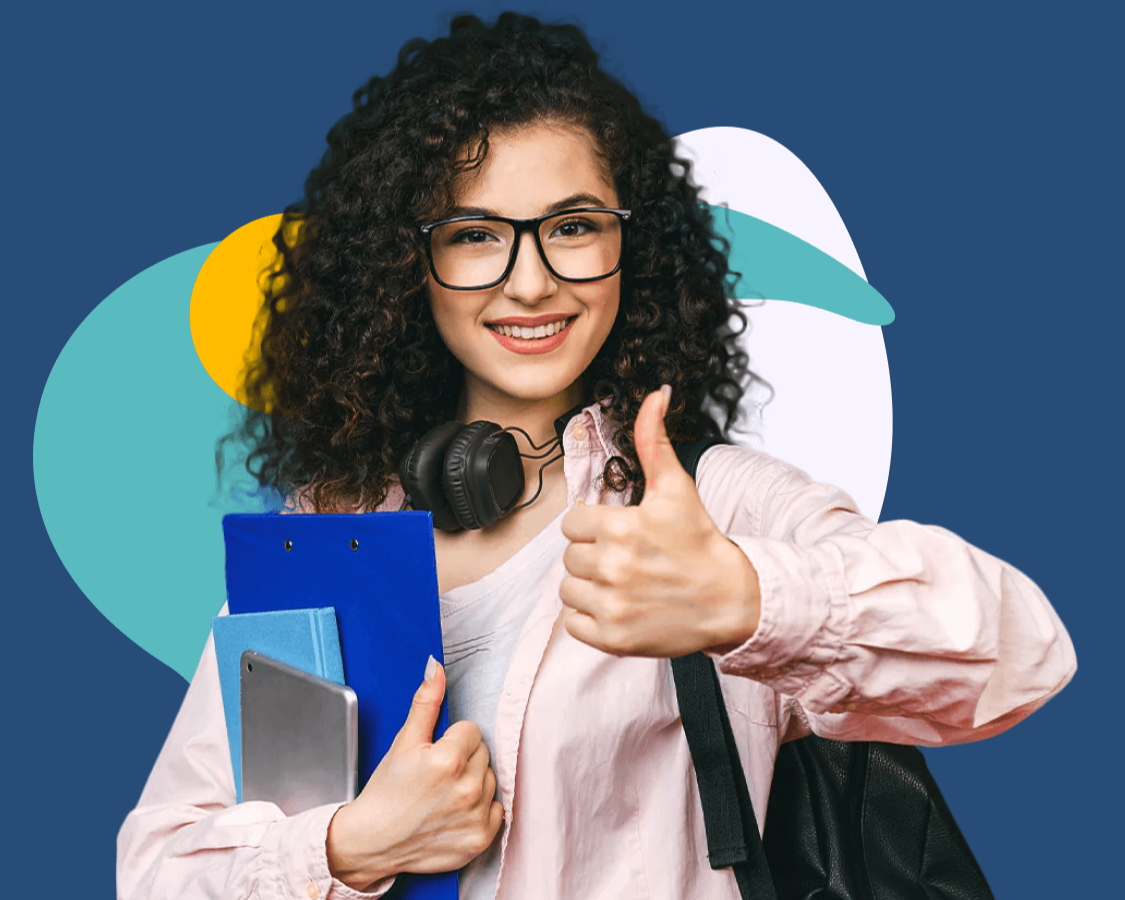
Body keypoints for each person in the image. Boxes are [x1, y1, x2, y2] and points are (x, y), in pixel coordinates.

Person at [117, 12, 1076, 900]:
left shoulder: (706, 511)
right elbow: (158, 863)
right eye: (475, 234)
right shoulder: (326, 532)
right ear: (411, 267)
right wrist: (348, 847)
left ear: (632, 244)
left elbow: (1021, 656)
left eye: (573, 227)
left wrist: (749, 601)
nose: (529, 282)